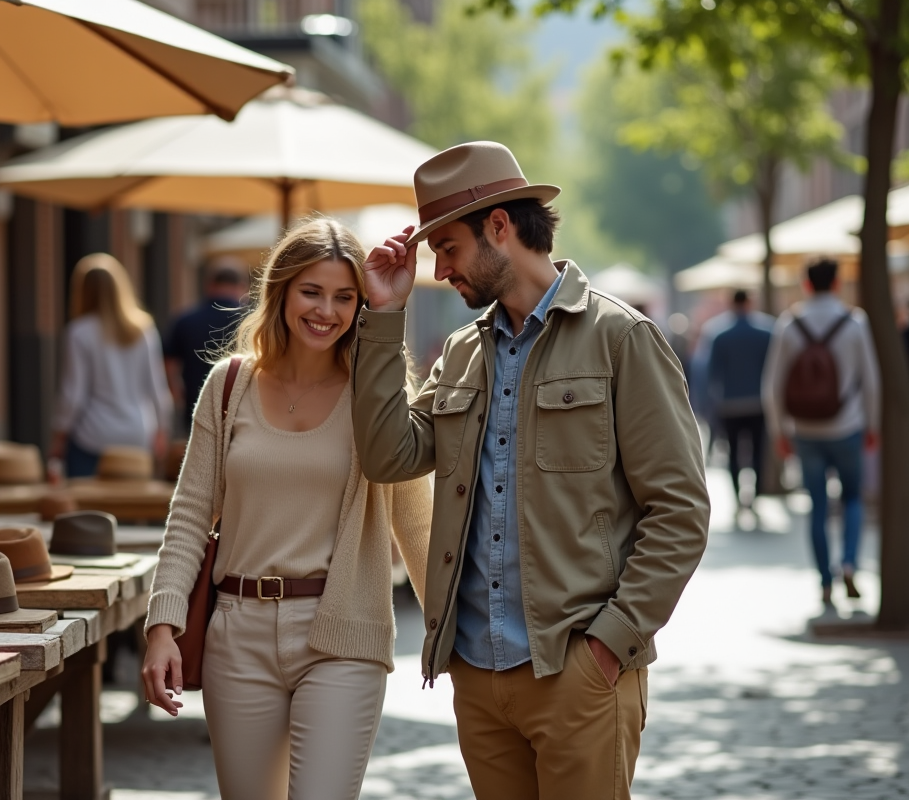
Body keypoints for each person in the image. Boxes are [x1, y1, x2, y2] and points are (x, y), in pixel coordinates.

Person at [354, 141, 710, 800]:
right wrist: (382, 316)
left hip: (577, 671)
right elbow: (388, 455)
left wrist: (610, 643)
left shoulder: (620, 338)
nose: (440, 269)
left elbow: (681, 511)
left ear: (499, 227)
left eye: (449, 248)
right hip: (477, 679)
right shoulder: (461, 354)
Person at [141, 219, 432, 800]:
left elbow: (416, 522)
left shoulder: (372, 395)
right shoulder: (229, 386)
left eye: (345, 297)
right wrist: (161, 626)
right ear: (281, 291)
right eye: (312, 291)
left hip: (342, 632)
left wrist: (455, 630)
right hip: (236, 635)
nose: (327, 310)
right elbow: (191, 514)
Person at [761, 257, 880, 606]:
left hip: (805, 430)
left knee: (816, 506)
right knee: (853, 499)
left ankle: (824, 582)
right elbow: (870, 380)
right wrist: (872, 424)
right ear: (838, 283)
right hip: (848, 426)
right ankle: (850, 563)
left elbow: (773, 384)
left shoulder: (790, 324)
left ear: (807, 284)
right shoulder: (855, 322)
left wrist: (779, 430)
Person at [50, 253, 172, 478]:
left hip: (92, 436)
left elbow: (73, 394)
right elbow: (157, 388)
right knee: (130, 507)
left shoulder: (79, 332)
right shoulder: (143, 329)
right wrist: (162, 431)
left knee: (88, 506)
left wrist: (58, 436)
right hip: (137, 434)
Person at [707, 289, 774, 519]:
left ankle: (737, 498)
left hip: (730, 403)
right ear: (750, 302)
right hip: (758, 401)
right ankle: (753, 497)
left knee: (733, 452)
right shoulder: (766, 332)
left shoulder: (719, 334)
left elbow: (712, 374)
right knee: (757, 451)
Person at [164, 257, 249, 433]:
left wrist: (177, 396)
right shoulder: (252, 322)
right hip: (244, 411)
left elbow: (168, 366)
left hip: (196, 407)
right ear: (241, 287)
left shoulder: (184, 320)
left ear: (209, 285)